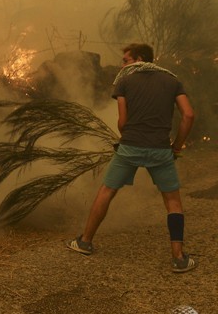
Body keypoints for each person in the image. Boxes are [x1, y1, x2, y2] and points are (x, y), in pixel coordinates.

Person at [66, 43, 197, 273]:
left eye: (126, 60)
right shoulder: (172, 80)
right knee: (173, 202)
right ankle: (178, 258)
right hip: (160, 150)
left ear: (139, 59)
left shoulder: (124, 81)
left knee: (107, 190)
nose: (122, 65)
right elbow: (188, 114)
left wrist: (130, 137)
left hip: (130, 147)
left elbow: (123, 123)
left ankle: (85, 242)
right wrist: (176, 147)